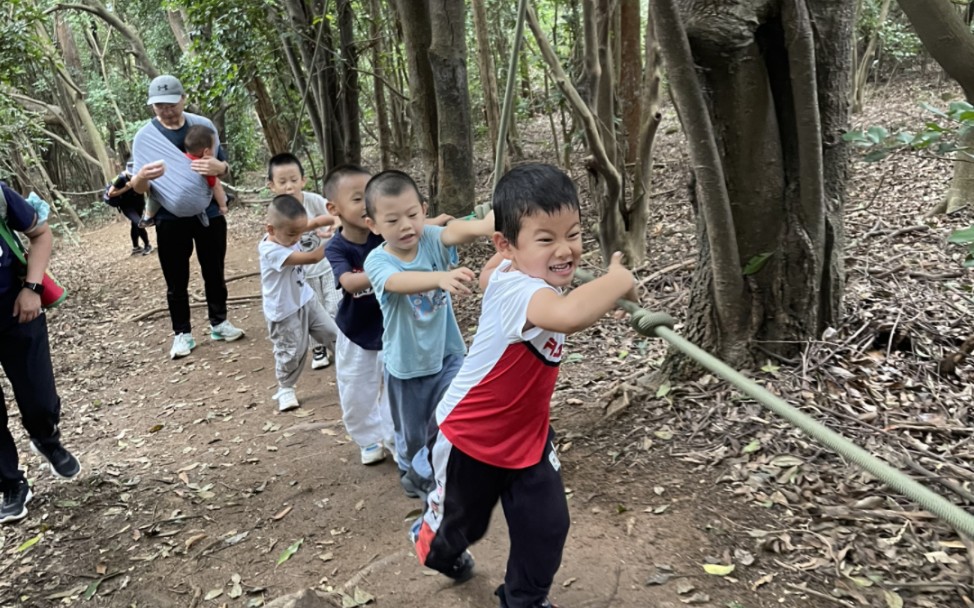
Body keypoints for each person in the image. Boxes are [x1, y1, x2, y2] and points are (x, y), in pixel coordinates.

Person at [412, 164, 637, 608]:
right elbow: (569, 316)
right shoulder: (519, 291)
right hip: (469, 438)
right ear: (508, 244)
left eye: (572, 234)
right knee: (462, 529)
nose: (566, 250)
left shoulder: (512, 271)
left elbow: (492, 274)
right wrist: (618, 280)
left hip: (527, 436)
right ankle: (434, 543)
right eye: (546, 239)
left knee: (547, 524)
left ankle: (524, 600)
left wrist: (604, 296)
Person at [362, 170, 494, 498]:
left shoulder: (430, 239)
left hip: (447, 353)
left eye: (412, 215)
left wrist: (485, 225)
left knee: (454, 413)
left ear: (423, 210)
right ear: (374, 225)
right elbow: (396, 283)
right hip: (407, 367)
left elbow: (454, 231)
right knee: (413, 432)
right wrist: (438, 279)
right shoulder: (377, 261)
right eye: (392, 221)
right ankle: (411, 469)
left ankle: (444, 467)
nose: (406, 226)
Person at [128, 74, 245, 359]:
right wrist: (141, 177)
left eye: (171, 104)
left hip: (210, 213)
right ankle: (182, 333)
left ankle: (219, 322)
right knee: (175, 278)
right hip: (169, 217)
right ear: (152, 106)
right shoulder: (145, 138)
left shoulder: (203, 127)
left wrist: (220, 167)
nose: (166, 110)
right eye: (159, 106)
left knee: (214, 270)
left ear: (183, 99)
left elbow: (223, 166)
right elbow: (139, 187)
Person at [0, 181, 81, 525]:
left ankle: (46, 438)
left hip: (17, 309)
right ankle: (10, 483)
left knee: (39, 396)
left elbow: (41, 234)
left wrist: (32, 288)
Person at [321, 165, 395, 465]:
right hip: (355, 331)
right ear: (333, 208)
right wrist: (386, 271)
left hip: (393, 327)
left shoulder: (386, 234)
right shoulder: (337, 247)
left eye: (371, 196)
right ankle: (367, 438)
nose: (367, 203)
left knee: (397, 386)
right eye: (357, 198)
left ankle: (395, 438)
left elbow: (419, 229)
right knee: (356, 389)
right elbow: (350, 283)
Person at [259, 195, 340, 411]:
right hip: (284, 311)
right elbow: (313, 258)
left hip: (306, 299)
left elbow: (313, 223)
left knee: (334, 334)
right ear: (271, 229)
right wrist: (341, 236)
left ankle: (351, 371)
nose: (297, 239)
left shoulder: (287, 232)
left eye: (299, 232)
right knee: (292, 351)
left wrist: (336, 218)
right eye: (292, 234)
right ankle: (285, 387)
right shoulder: (271, 250)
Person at [266, 153, 340, 370]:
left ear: (303, 180)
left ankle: (339, 345)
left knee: (334, 306)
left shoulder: (314, 200)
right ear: (272, 185)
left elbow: (333, 213)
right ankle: (318, 347)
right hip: (301, 274)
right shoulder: (276, 213)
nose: (289, 186)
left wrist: (334, 224)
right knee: (312, 312)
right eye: (282, 182)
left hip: (327, 267)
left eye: (294, 180)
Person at [139, 125, 229, 227]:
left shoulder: (176, 159)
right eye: (214, 147)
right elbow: (217, 187)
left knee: (155, 196)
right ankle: (222, 201)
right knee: (210, 189)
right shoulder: (206, 168)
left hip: (171, 202)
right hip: (196, 204)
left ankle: (147, 217)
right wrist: (223, 206)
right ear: (206, 152)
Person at [104, 163, 152, 255]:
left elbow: (147, 189)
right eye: (131, 175)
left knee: (135, 224)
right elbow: (110, 193)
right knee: (138, 222)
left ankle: (136, 247)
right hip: (127, 206)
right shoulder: (120, 178)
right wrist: (126, 188)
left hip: (139, 203)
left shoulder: (141, 175)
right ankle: (147, 245)